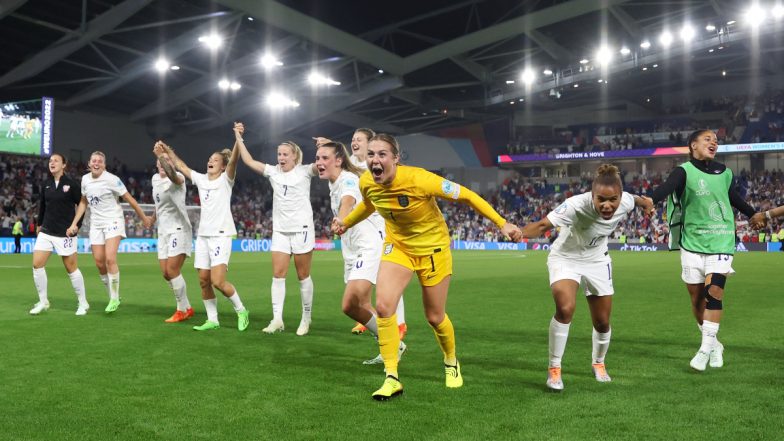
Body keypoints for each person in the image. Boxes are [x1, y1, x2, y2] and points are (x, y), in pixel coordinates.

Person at [332, 133, 522, 401]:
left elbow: (466, 196)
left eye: (382, 154)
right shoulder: (367, 181)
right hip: (398, 248)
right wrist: (346, 222)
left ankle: (451, 360)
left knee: (434, 316)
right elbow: (370, 205)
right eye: (371, 154)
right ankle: (391, 377)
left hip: (433, 249)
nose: (375, 159)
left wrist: (502, 223)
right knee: (385, 307)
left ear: (396, 159)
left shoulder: (420, 179)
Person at [520, 164, 654, 391]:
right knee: (565, 308)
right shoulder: (575, 205)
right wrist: (518, 232)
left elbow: (641, 200)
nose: (607, 205)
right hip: (566, 258)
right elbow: (543, 225)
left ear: (621, 197)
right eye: (600, 199)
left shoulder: (627, 201)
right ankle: (554, 368)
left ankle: (599, 363)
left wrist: (647, 204)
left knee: (602, 322)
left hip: (597, 261)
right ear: (591, 196)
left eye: (613, 199)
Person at [646, 129, 758, 371]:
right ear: (693, 145)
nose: (713, 142)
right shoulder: (683, 172)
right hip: (692, 244)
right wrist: (650, 200)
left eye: (715, 140)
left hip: (721, 240)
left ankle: (705, 349)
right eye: (707, 139)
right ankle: (716, 344)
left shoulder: (725, 173)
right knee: (697, 301)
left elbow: (732, 198)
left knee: (714, 292)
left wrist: (752, 214)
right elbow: (667, 188)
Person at [315, 140, 407, 364]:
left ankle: (393, 343)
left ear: (338, 160)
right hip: (353, 249)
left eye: (325, 158)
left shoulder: (347, 178)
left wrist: (342, 218)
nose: (319, 162)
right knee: (358, 305)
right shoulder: (334, 181)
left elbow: (349, 199)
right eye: (317, 158)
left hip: (369, 246)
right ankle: (393, 345)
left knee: (350, 303)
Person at [156, 126, 249, 332]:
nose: (210, 162)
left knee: (217, 281)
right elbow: (180, 165)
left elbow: (234, 159)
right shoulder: (200, 179)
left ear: (223, 167)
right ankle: (212, 319)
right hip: (204, 236)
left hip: (221, 235)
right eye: (209, 159)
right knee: (204, 281)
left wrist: (237, 138)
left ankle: (241, 310)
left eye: (215, 160)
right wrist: (166, 151)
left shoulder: (226, 180)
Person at [236, 124, 316, 336]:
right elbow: (248, 161)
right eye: (279, 154)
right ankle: (277, 319)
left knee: (303, 276)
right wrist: (238, 137)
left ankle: (306, 318)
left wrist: (325, 149)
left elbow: (323, 165)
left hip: (302, 229)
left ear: (294, 156)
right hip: (280, 230)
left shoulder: (305, 171)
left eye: (285, 154)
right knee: (278, 275)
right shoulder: (272, 172)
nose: (281, 157)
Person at [67, 151, 152, 313]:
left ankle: (114, 298)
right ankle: (113, 296)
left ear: (104, 165)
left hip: (113, 220)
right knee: (99, 262)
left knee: (110, 259)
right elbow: (83, 202)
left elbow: (129, 199)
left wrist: (143, 217)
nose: (96, 163)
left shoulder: (112, 180)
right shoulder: (85, 180)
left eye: (100, 161)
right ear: (89, 164)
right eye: (94, 160)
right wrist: (74, 223)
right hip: (96, 224)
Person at [29, 153, 88, 316]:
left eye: (56, 161)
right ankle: (43, 301)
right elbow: (43, 206)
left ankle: (83, 303)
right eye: (50, 161)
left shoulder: (71, 184)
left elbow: (82, 204)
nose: (52, 163)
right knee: (37, 265)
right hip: (46, 231)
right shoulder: (46, 184)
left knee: (71, 268)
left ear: (64, 165)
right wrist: (39, 225)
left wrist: (76, 225)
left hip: (65, 234)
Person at [149, 145, 194, 323]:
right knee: (166, 273)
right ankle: (187, 306)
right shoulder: (154, 179)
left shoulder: (178, 178)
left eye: (167, 161)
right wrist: (152, 218)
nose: (162, 163)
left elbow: (172, 175)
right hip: (163, 231)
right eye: (160, 161)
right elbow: (159, 204)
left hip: (179, 229)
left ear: (172, 164)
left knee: (172, 270)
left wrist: (163, 156)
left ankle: (181, 309)